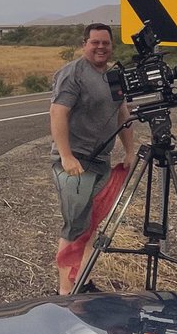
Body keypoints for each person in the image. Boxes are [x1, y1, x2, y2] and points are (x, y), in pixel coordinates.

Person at [50, 23, 136, 294]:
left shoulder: (112, 76)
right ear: (84, 44)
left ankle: (82, 282)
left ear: (112, 46)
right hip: (76, 163)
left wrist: (130, 150)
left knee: (90, 225)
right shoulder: (73, 74)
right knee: (75, 226)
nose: (101, 47)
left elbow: (122, 112)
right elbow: (58, 112)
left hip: (101, 161)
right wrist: (66, 155)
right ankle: (65, 293)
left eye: (106, 43)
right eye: (95, 42)